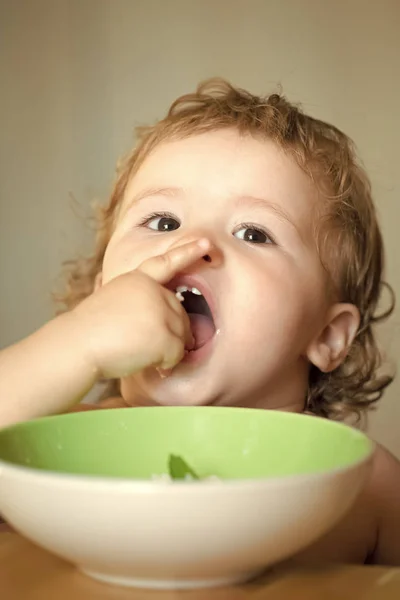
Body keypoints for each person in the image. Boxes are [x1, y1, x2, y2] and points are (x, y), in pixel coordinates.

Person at [0, 79, 399, 563]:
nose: (196, 243)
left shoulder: (365, 485)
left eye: (253, 232)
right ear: (105, 295)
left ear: (328, 335)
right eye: (163, 222)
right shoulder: (55, 448)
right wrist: (74, 344)